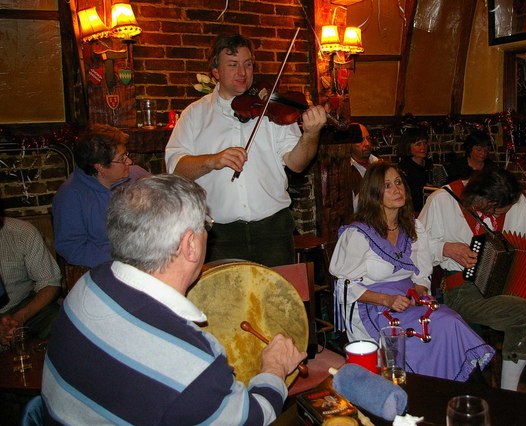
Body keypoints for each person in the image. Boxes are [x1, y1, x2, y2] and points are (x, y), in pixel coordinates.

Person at [42, 174, 306, 424]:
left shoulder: (89, 284)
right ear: (190, 245)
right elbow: (254, 419)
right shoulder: (194, 368)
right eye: (206, 225)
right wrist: (275, 368)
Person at [165, 34, 327, 267]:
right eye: (232, 65)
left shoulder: (273, 108)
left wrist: (311, 135)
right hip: (219, 235)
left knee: (277, 302)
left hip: (273, 229)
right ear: (216, 72)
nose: (242, 72)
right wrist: (213, 160)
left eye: (248, 64)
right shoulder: (194, 115)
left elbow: (296, 163)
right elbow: (175, 169)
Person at [330, 162, 494, 382]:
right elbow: (343, 285)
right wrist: (386, 300)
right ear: (374, 193)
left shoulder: (413, 228)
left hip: (409, 303)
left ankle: (458, 392)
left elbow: (421, 271)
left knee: (450, 322)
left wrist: (420, 290)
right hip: (374, 308)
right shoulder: (358, 234)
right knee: (412, 337)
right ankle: (421, 392)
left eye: (398, 182)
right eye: (387, 185)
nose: (397, 190)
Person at [418, 168, 526, 392]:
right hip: (464, 289)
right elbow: (414, 245)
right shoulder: (442, 200)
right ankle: (508, 393)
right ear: (481, 199)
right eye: (495, 212)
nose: (498, 217)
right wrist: (445, 248)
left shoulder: (515, 202)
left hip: (513, 281)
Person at [52, 124, 149, 268]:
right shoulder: (70, 196)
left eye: (126, 155)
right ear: (100, 167)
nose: (129, 162)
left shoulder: (138, 175)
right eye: (122, 158)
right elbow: (72, 248)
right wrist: (125, 259)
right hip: (110, 267)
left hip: (151, 255)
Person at [0, 203, 61, 344]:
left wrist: (20, 317)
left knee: (58, 320)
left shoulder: (21, 231)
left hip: (21, 304)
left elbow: (49, 282)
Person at [397, 129, 434, 212]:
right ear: (408, 147)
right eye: (418, 144)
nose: (423, 147)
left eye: (425, 143)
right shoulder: (403, 168)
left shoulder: (429, 164)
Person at [349, 123, 380, 212]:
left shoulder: (379, 163)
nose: (367, 143)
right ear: (349, 144)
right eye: (360, 140)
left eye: (368, 138)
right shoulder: (346, 171)